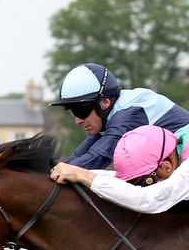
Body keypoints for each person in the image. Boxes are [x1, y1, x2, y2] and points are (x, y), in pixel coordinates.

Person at [50, 63, 189, 169]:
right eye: (73, 112)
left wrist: (62, 171)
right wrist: (54, 169)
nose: (78, 121)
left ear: (104, 102)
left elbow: (100, 156)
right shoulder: (111, 113)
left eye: (81, 111)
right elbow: (78, 156)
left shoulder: (127, 114)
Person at [51, 125, 189, 213]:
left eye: (144, 183)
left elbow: (149, 199)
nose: (140, 186)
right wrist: (79, 172)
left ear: (166, 167)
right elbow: (121, 182)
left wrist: (85, 176)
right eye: (136, 183)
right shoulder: (173, 146)